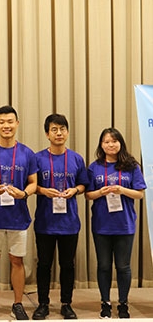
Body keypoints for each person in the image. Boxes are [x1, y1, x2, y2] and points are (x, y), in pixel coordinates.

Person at [0, 105, 38, 321]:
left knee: (17, 261)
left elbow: (33, 183)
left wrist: (23, 194)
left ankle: (18, 304)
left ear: (17, 123)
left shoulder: (27, 153)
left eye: (10, 121)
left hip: (18, 217)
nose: (6, 126)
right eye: (2, 122)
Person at [32, 114, 89, 320]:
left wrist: (75, 190)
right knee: (44, 264)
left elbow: (84, 184)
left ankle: (66, 303)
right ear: (47, 133)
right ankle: (43, 304)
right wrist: (42, 190)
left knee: (67, 265)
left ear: (67, 132)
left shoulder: (76, 158)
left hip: (69, 223)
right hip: (45, 222)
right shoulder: (37, 158)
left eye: (62, 129)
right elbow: (30, 185)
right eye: (54, 129)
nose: (59, 133)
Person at [85, 128, 146, 319]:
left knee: (123, 266)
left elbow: (140, 193)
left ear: (120, 143)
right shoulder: (94, 167)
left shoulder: (132, 166)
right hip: (101, 225)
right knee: (103, 265)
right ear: (101, 145)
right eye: (106, 142)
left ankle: (123, 303)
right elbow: (88, 194)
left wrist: (122, 190)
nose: (110, 145)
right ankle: (105, 302)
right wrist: (101, 192)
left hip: (124, 224)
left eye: (114, 141)